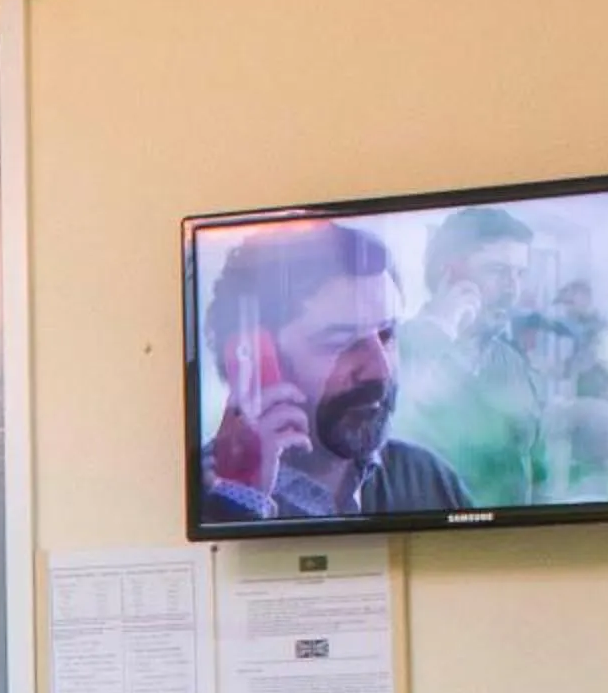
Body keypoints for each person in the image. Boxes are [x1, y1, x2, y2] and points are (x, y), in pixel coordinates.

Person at [200, 221, 474, 524]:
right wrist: (241, 499)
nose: (380, 371)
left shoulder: (428, 479)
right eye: (340, 342)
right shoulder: (202, 492)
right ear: (254, 357)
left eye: (387, 336)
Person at [396, 203, 548, 505]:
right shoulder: (391, 351)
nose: (512, 290)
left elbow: (537, 473)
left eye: (519, 274)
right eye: (497, 271)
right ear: (448, 273)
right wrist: (437, 330)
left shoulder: (513, 363)